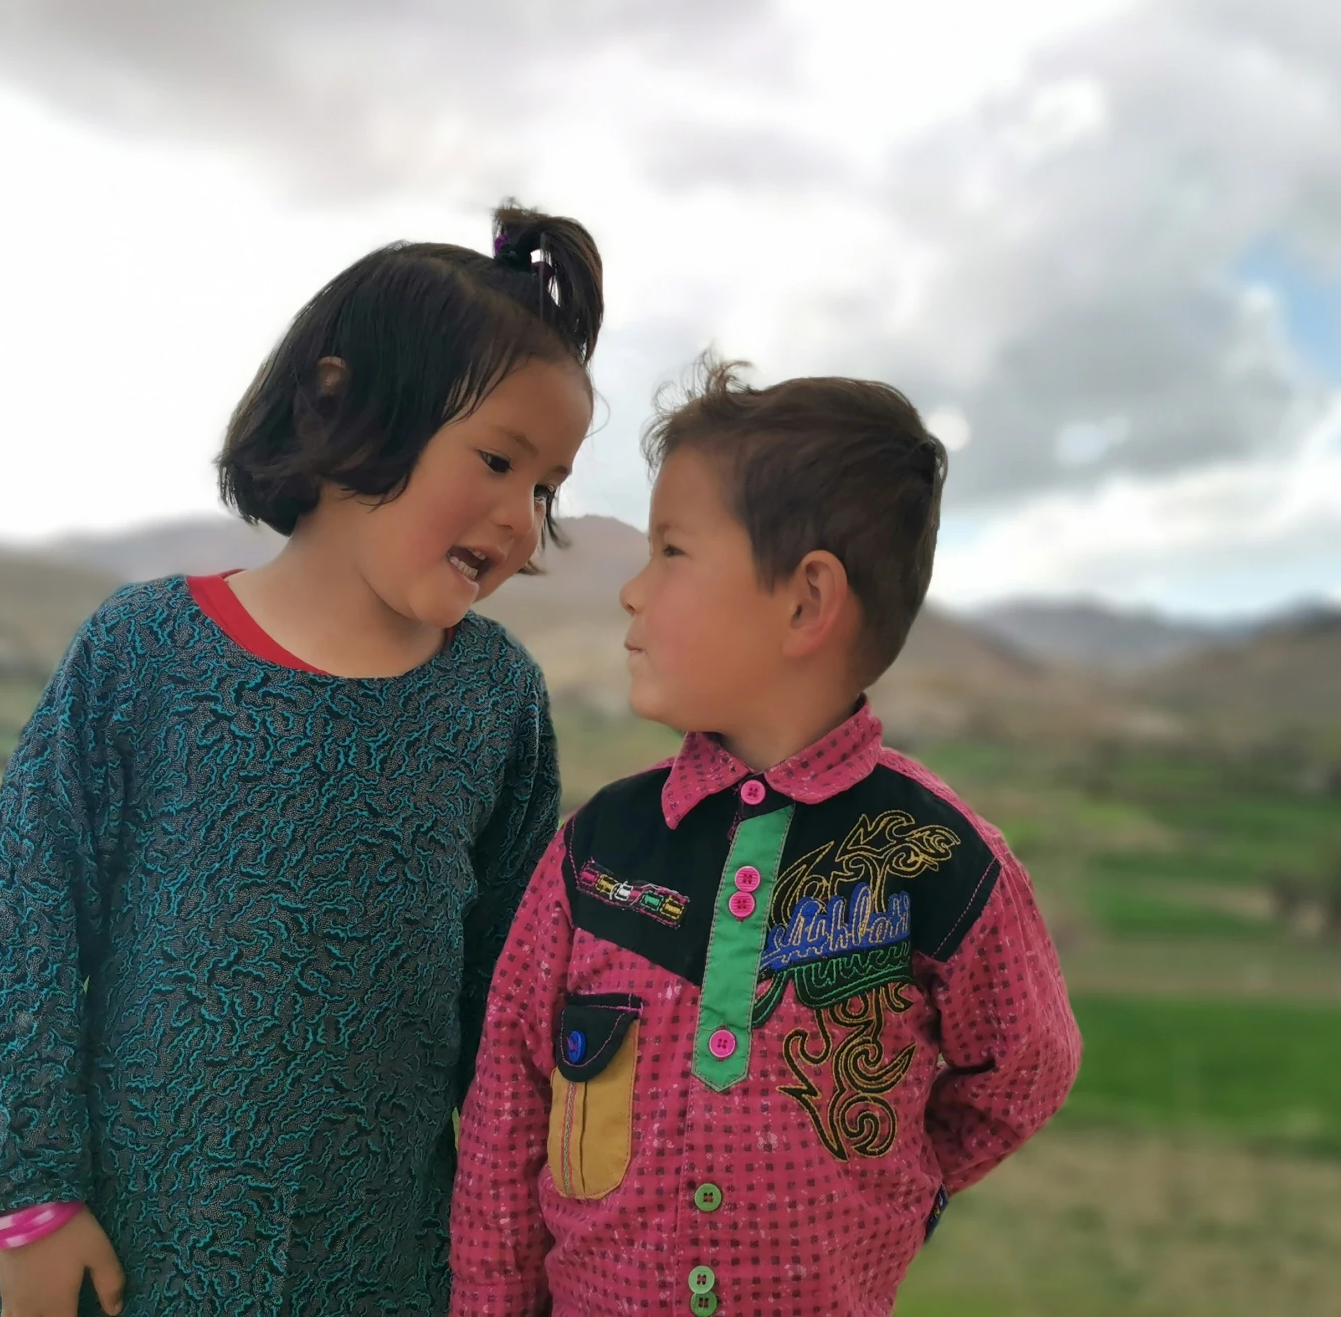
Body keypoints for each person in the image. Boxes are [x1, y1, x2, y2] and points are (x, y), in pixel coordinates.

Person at [0, 205, 603, 1317]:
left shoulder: (494, 699)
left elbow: (512, 1000)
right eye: (497, 460)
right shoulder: (143, 652)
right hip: (131, 1259)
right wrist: (29, 1207)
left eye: (543, 489)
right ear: (340, 399)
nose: (520, 522)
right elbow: (28, 919)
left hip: (392, 1262)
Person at [451, 358, 1081, 1317]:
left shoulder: (939, 863)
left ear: (805, 604)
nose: (632, 591)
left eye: (671, 551)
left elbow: (1028, 1063)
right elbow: (509, 1104)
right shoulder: (600, 849)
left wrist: (902, 1185)